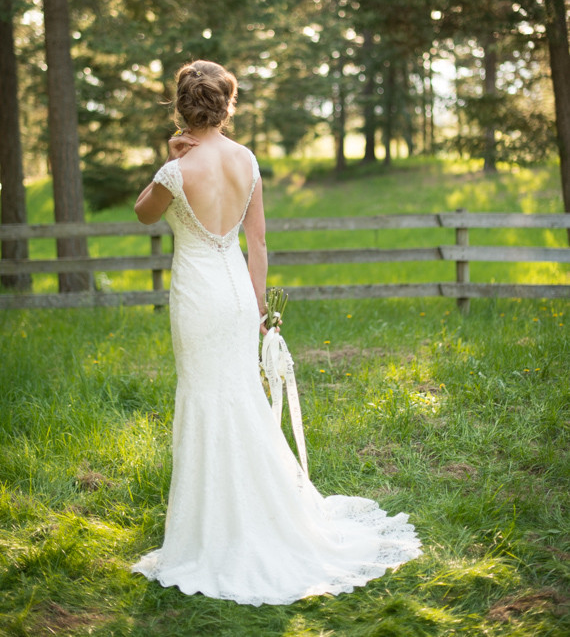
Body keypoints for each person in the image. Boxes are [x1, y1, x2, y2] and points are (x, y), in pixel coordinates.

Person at [132, 59, 421, 605]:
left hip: (198, 296)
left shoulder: (176, 170)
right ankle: (259, 512)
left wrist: (167, 160)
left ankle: (213, 528)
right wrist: (260, 308)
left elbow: (144, 214)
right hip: (240, 297)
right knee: (240, 396)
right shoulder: (246, 160)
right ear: (226, 105)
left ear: (182, 106)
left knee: (204, 398)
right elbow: (258, 243)